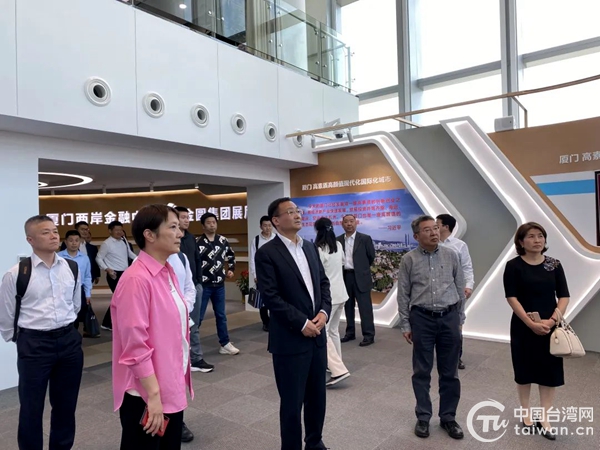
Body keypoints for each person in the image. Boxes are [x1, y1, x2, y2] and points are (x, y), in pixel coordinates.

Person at [111, 204, 193, 449]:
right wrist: (153, 396)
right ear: (149, 235)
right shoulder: (136, 279)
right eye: (173, 227)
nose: (180, 233)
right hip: (146, 393)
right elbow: (135, 344)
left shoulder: (168, 272)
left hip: (169, 384)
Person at [0, 215, 83, 450]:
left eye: (55, 231)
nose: (54, 236)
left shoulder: (71, 267)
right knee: (31, 407)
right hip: (34, 344)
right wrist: (23, 340)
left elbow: (75, 305)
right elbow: (6, 315)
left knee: (66, 406)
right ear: (30, 239)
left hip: (68, 341)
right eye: (46, 232)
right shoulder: (17, 273)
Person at [255, 198, 331, 450]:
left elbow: (323, 284)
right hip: (289, 340)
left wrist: (324, 312)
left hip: (317, 336)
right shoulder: (267, 253)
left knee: (317, 397)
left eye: (298, 211)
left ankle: (315, 442)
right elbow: (271, 297)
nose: (298, 215)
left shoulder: (309, 247)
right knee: (291, 403)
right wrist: (301, 322)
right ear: (276, 220)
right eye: (290, 212)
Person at [397, 215, 466, 440]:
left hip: (449, 317)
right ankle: (423, 417)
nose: (434, 232)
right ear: (417, 236)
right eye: (427, 230)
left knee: (450, 372)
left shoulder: (452, 254)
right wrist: (405, 323)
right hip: (422, 319)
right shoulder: (408, 259)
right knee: (422, 371)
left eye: (435, 228)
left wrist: (459, 318)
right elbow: (403, 293)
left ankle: (448, 417)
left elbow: (459, 287)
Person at [503, 222, 570, 441]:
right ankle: (526, 413)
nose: (537, 240)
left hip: (550, 327)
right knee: (524, 370)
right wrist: (530, 323)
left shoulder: (554, 264)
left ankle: (545, 418)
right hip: (523, 326)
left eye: (540, 235)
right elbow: (511, 297)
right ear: (521, 242)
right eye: (531, 236)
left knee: (549, 372)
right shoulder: (513, 266)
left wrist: (552, 321)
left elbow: (564, 296)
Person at [173, 206, 214, 373]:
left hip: (194, 286)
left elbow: (197, 260)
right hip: (176, 289)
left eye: (187, 217)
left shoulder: (190, 238)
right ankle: (180, 359)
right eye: (182, 217)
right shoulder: (171, 241)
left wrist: (199, 282)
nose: (186, 220)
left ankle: (196, 358)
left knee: (193, 324)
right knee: (178, 325)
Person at [314, 217, 350, 387]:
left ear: (318, 230)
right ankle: (337, 363)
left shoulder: (318, 249)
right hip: (341, 293)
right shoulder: (338, 245)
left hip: (328, 297)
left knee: (323, 332)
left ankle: (337, 369)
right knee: (333, 331)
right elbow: (342, 263)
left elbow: (317, 273)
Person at [197, 212, 239, 355]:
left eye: (214, 222)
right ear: (203, 226)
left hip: (219, 285)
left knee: (221, 315)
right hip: (204, 285)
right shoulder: (198, 242)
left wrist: (231, 269)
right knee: (198, 316)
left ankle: (225, 343)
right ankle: (190, 344)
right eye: (208, 223)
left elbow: (231, 255)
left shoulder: (222, 240)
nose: (212, 225)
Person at [436, 214, 474, 370]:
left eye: (437, 224)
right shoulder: (431, 244)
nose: (435, 227)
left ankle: (456, 357)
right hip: (435, 291)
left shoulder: (459, 245)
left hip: (456, 290)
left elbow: (467, 267)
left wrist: (469, 285)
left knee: (457, 324)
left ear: (446, 227)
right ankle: (441, 355)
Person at [166, 250, 197, 444]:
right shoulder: (140, 268)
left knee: (179, 374)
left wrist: (183, 308)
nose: (179, 235)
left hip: (181, 324)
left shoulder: (182, 258)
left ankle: (178, 420)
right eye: (173, 233)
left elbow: (189, 287)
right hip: (161, 330)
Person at [336, 214, 376, 346]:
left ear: (356, 222)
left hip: (361, 277)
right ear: (342, 224)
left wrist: (361, 269)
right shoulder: (338, 240)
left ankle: (368, 335)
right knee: (348, 307)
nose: (349, 224)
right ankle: (350, 333)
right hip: (345, 276)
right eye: (346, 222)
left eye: (351, 221)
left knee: (365, 308)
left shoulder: (364, 238)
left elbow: (371, 256)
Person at [96, 220, 137, 331]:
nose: (119, 232)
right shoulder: (107, 244)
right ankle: (107, 323)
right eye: (116, 230)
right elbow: (98, 258)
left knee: (122, 298)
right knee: (119, 298)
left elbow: (129, 253)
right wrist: (107, 269)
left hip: (125, 273)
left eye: (121, 230)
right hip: (114, 274)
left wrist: (140, 259)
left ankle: (113, 322)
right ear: (110, 231)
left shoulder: (124, 241)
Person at [58, 230, 93, 333]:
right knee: (63, 312)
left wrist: (87, 293)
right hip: (62, 289)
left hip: (79, 289)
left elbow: (87, 277)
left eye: (76, 240)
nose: (74, 243)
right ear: (65, 242)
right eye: (71, 240)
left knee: (77, 314)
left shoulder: (84, 258)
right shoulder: (58, 257)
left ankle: (73, 333)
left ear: (80, 242)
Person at [249, 215, 276, 331]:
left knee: (276, 298)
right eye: (265, 225)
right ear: (261, 227)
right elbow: (252, 259)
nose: (267, 228)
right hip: (262, 275)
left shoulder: (277, 238)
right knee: (263, 300)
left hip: (276, 275)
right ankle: (266, 322)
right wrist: (255, 275)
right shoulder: (256, 240)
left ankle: (275, 321)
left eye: (269, 225)